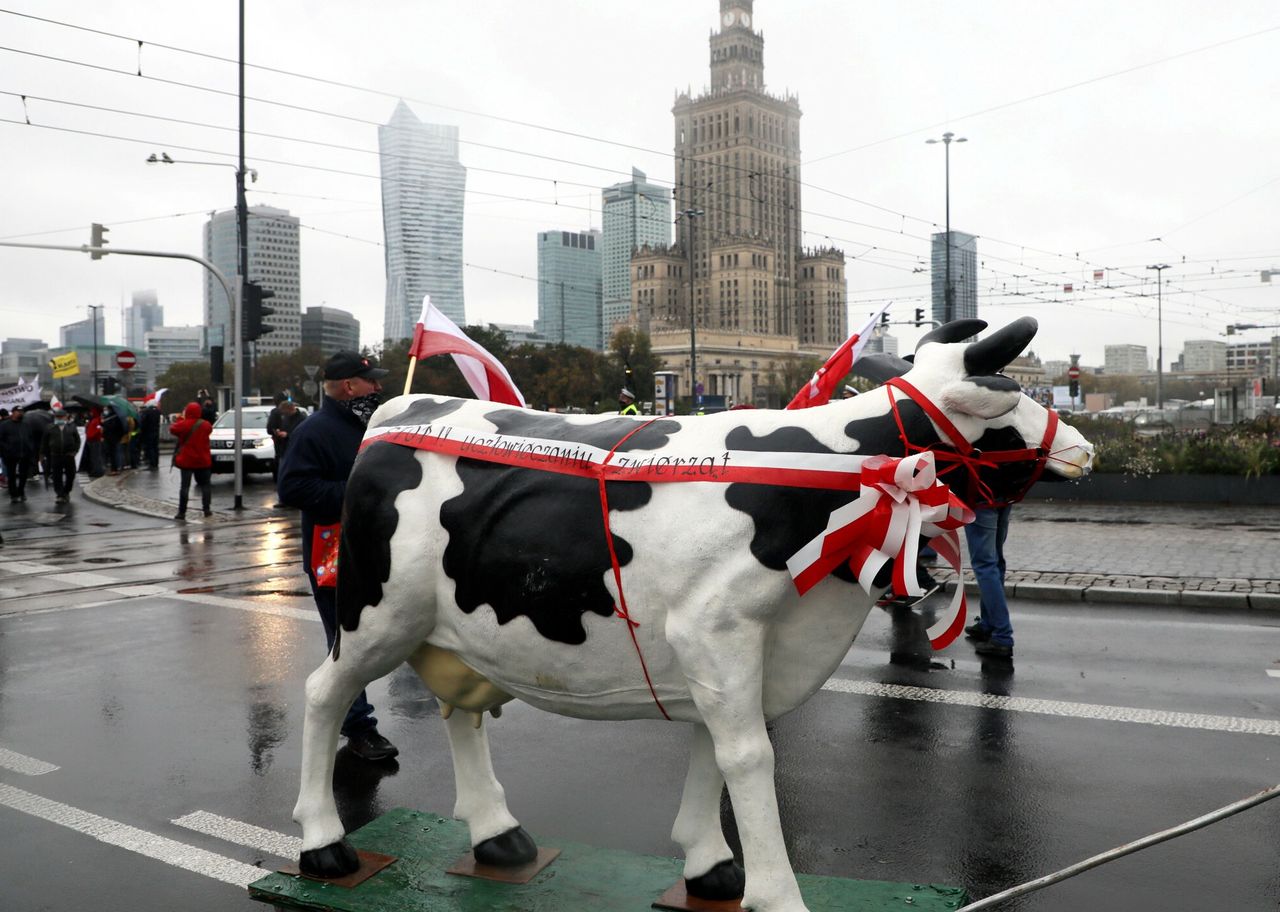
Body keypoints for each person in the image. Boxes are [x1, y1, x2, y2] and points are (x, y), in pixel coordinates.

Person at [277, 350, 398, 763]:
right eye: (371, 382)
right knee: (345, 641)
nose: (379, 388)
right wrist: (356, 492)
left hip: (375, 546)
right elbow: (293, 489)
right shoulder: (314, 431)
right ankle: (358, 727)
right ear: (349, 387)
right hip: (332, 554)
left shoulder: (373, 427)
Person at [963, 505, 1015, 658]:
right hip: (1004, 496)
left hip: (981, 498)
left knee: (985, 564)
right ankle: (988, 623)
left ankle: (1002, 635)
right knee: (995, 560)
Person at [169, 401, 213, 520]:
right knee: (205, 486)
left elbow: (172, 429)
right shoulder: (205, 425)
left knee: (185, 486)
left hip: (187, 460)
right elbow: (209, 430)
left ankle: (181, 512)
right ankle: (207, 509)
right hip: (203, 460)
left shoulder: (183, 424)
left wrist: (180, 419)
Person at [0, 405, 39, 503]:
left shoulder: (26, 425)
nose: (20, 413)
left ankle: (21, 492)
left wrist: (30, 448)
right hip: (10, 455)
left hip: (24, 454)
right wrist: (6, 449)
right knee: (11, 475)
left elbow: (31, 438)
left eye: (22, 411)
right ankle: (13, 494)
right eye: (18, 411)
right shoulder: (5, 425)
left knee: (23, 475)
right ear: (13, 413)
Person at [41, 406, 80, 504]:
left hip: (68, 455)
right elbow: (44, 442)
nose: (59, 419)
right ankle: (60, 494)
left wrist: (75, 451)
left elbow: (77, 440)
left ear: (66, 417)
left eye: (61, 417)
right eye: (57, 417)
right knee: (56, 476)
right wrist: (43, 454)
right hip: (55, 455)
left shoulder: (71, 427)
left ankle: (67, 491)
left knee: (71, 475)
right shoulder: (50, 427)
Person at [266, 397, 307, 481]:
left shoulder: (302, 419)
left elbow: (303, 435)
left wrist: (287, 435)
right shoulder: (286, 418)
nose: (283, 414)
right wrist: (279, 432)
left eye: (284, 412)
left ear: (290, 409)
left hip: (296, 451)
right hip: (284, 450)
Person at [101, 405, 125, 474]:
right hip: (116, 438)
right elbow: (122, 429)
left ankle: (114, 469)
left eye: (107, 409)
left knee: (113, 454)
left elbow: (108, 427)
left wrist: (103, 425)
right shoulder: (119, 418)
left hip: (110, 438)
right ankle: (118, 467)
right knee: (116, 453)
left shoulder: (109, 418)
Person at [139, 403, 161, 469]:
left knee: (150, 448)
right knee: (155, 448)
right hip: (156, 432)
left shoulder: (147, 412)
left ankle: (152, 464)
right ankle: (156, 463)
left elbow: (143, 423)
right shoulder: (157, 412)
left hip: (148, 433)